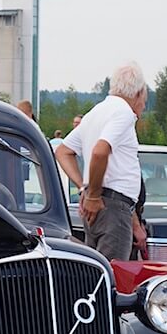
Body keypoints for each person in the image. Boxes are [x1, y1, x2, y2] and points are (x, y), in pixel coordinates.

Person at [55, 61, 147, 262]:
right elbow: (100, 152)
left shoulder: (95, 112)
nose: (144, 105)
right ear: (139, 93)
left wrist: (84, 188)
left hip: (102, 208)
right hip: (112, 210)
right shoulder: (123, 113)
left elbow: (63, 151)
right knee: (113, 276)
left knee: (97, 273)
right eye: (144, 99)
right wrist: (92, 196)